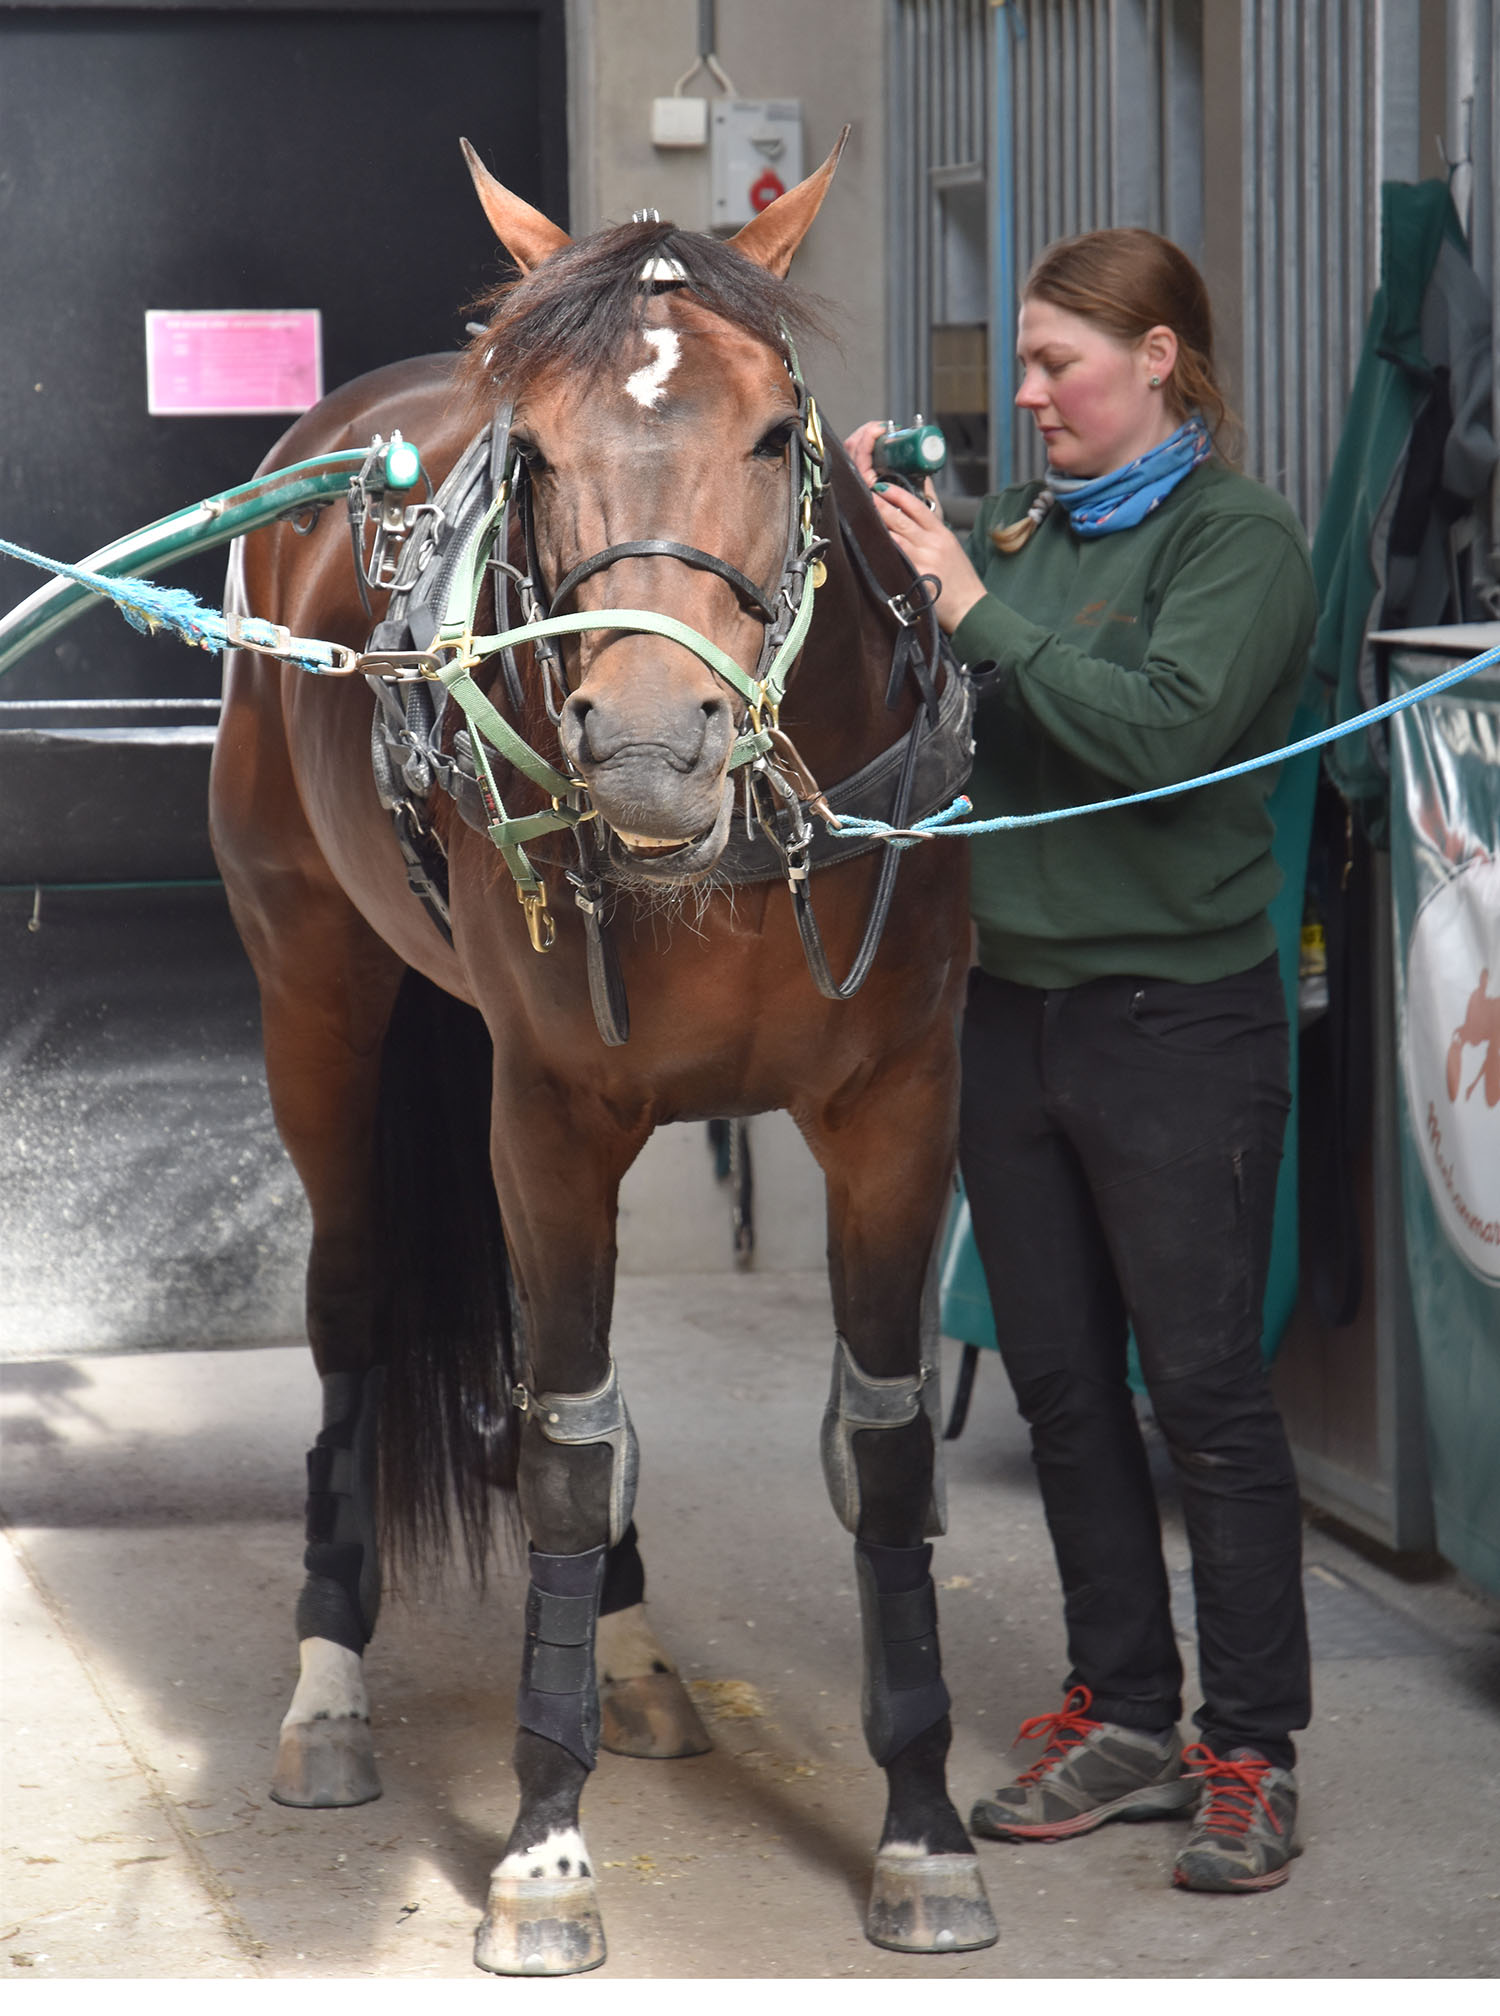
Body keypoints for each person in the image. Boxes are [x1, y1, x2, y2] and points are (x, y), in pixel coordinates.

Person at [846, 227, 1316, 1895]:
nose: (1028, 392)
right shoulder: (1031, 533)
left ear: (1163, 360)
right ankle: (1128, 1712)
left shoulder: (1239, 541)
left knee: (1201, 1396)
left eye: (1061, 364)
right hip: (1010, 1009)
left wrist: (984, 610)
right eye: (1027, 364)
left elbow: (1170, 731)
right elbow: (967, 688)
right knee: (1060, 1390)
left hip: (1174, 1020)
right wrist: (891, 548)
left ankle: (1251, 1749)